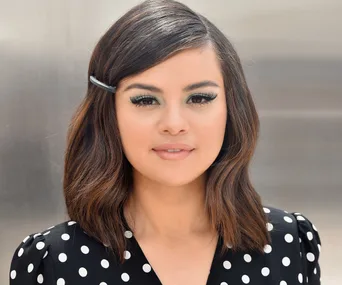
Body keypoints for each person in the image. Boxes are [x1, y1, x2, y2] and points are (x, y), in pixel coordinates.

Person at [9, 0, 322, 284]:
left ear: (231, 108)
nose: (174, 124)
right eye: (146, 100)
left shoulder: (290, 243)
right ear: (109, 112)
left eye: (199, 98)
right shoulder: (50, 263)